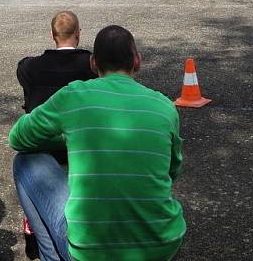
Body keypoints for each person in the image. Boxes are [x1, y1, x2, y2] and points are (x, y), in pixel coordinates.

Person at [9, 25, 186, 261]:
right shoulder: (165, 107)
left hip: (91, 252)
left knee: (25, 161)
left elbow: (18, 137)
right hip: (162, 246)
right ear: (137, 61)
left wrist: (70, 137)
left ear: (93, 64)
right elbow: (172, 171)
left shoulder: (74, 96)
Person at [15, 11, 97, 259]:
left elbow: (24, 78)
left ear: (52, 36)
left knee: (23, 161)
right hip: (82, 146)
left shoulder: (30, 67)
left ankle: (36, 227)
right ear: (79, 34)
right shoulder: (92, 65)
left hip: (44, 147)